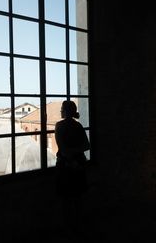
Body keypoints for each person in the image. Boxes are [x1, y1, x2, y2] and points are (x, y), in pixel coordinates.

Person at [55, 100, 90, 235]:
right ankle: (79, 227)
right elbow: (87, 146)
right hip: (79, 164)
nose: (60, 110)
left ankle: (68, 229)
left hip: (65, 166)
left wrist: (70, 156)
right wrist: (76, 154)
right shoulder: (78, 126)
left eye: (62, 108)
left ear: (65, 111)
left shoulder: (59, 126)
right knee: (78, 198)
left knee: (66, 199)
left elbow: (63, 150)